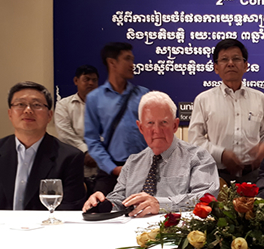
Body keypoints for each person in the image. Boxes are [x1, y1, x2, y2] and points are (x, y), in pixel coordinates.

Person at [83, 91, 219, 217]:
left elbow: (206, 197)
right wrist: (102, 203)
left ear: (175, 125)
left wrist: (162, 204)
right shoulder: (133, 162)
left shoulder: (198, 157)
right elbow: (119, 199)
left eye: (164, 123)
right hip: (131, 234)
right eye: (150, 123)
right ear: (141, 127)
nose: (156, 130)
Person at [0, 81, 85, 210]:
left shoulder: (70, 157)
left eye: (36, 105)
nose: (28, 110)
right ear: (10, 114)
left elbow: (70, 209)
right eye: (20, 104)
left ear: (49, 116)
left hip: (46, 228)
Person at [188, 39, 264, 184]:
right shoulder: (203, 99)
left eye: (236, 59)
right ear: (216, 67)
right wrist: (221, 154)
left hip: (255, 175)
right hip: (217, 175)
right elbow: (194, 139)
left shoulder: (260, 98)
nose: (230, 63)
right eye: (224, 59)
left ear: (246, 65)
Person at [85, 42, 150, 195]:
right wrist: (113, 168)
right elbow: (92, 140)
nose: (132, 64)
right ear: (112, 62)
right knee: (99, 212)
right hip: (110, 171)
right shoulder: (95, 98)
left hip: (143, 169)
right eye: (127, 59)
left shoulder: (143, 94)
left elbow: (154, 131)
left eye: (132, 59)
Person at [54, 64, 99, 193]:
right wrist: (85, 152)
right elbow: (65, 134)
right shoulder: (63, 105)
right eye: (86, 79)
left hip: (102, 170)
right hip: (74, 167)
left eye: (94, 80)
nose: (90, 83)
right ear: (76, 81)